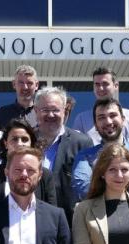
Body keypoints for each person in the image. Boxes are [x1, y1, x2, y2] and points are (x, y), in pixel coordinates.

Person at [70, 98, 129, 201]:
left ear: (123, 119)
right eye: (101, 117)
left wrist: (98, 180)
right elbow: (82, 188)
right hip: (98, 216)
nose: (108, 122)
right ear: (95, 125)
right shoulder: (85, 156)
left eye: (113, 115)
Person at [33, 86, 94, 217]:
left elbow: (88, 186)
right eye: (45, 110)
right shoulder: (26, 140)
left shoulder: (82, 143)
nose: (50, 115)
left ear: (64, 111)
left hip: (69, 220)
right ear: (36, 111)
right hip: (31, 218)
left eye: (55, 110)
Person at [0, 119, 56, 206]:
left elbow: (52, 215)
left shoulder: (45, 176)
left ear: (31, 143)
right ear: (6, 143)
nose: (20, 144)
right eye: (14, 139)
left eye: (24, 139)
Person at [71, 67, 129, 145]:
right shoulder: (82, 119)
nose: (101, 88)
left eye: (105, 84)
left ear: (116, 86)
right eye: (97, 84)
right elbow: (76, 148)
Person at [0, 64, 39, 130]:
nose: (25, 87)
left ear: (36, 85)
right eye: (21, 83)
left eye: (29, 83)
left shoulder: (43, 113)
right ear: (14, 84)